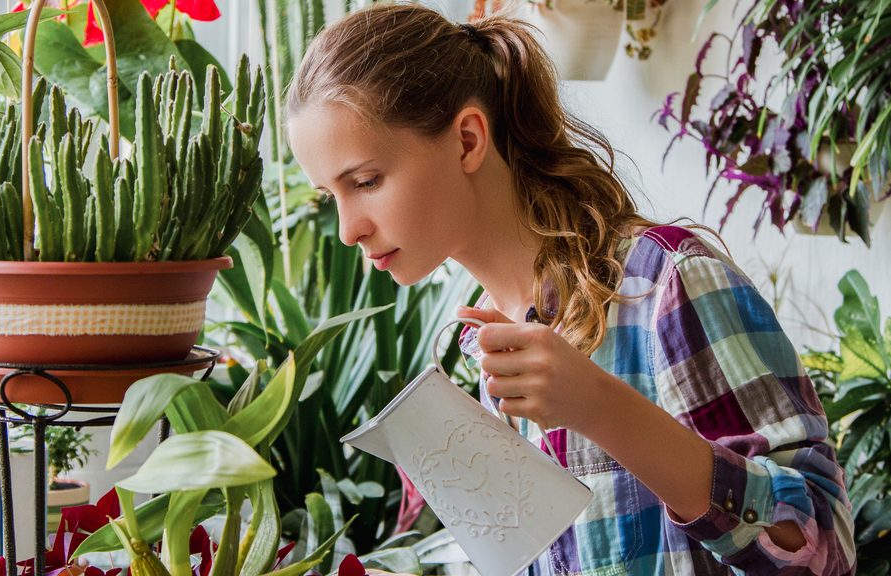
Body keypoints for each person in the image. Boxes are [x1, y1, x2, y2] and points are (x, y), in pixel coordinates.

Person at [285, 4, 854, 575]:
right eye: (327, 195)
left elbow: (823, 550)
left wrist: (601, 407)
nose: (346, 229)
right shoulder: (483, 347)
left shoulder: (667, 285)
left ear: (466, 140)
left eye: (365, 181)